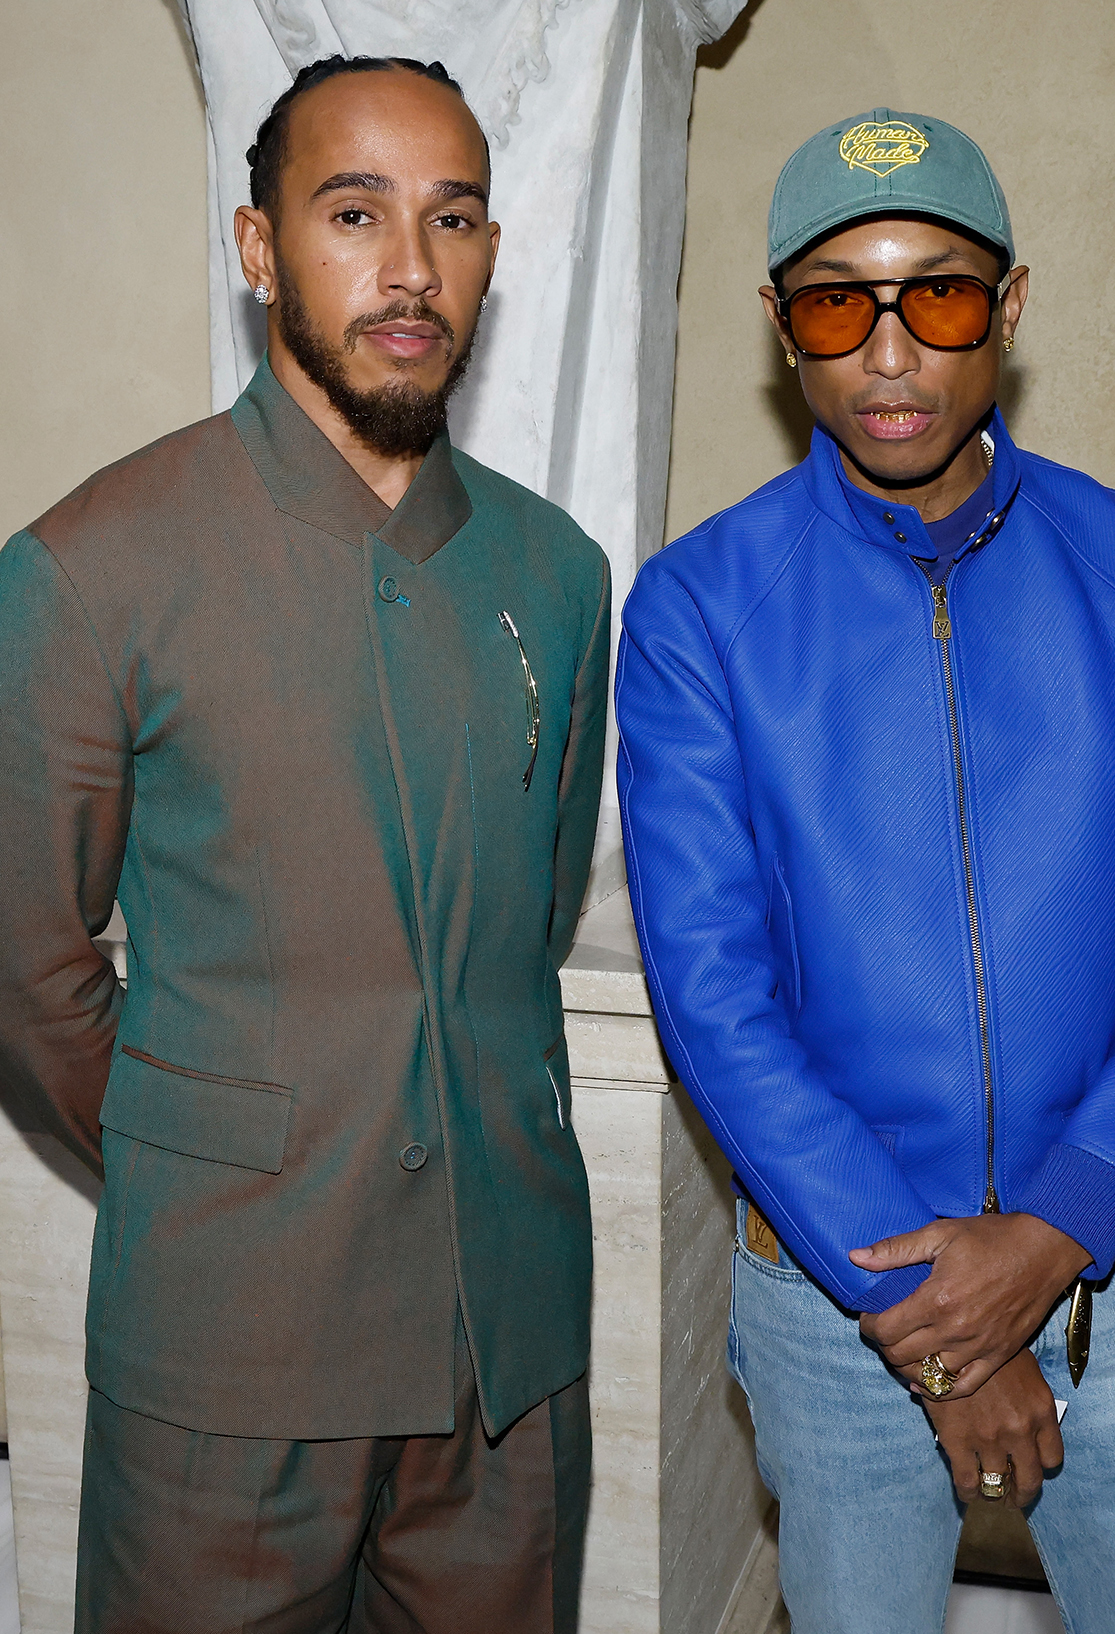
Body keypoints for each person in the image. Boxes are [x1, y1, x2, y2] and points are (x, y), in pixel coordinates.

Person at [616, 109, 1115, 1632]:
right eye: (840, 301)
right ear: (785, 330)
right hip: (834, 1307)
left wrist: (1052, 1230)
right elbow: (715, 998)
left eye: (942, 293)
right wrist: (943, 1333)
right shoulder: (700, 610)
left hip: (1108, 1280)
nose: (894, 350)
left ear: (1013, 303)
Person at [0, 54, 609, 1633]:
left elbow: (525, 924)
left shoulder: (557, 572)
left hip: (508, 1364)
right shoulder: (91, 565)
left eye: (454, 217)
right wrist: (213, 1152)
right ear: (261, 246)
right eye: (355, 213)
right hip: (230, 1359)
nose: (411, 269)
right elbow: (27, 971)